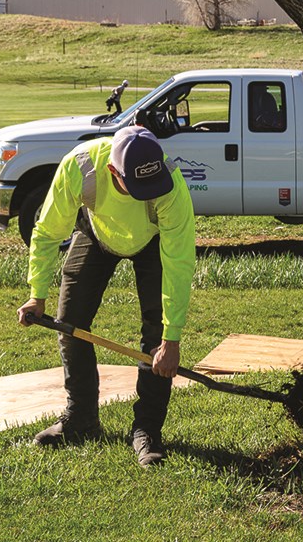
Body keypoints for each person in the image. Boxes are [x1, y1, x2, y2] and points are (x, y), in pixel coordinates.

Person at [17, 125, 195, 468]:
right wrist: (37, 294)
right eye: (138, 186)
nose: (148, 193)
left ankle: (147, 431)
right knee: (70, 322)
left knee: (155, 337)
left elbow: (179, 264)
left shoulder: (171, 188)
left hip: (152, 241)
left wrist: (171, 339)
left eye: (151, 185)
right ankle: (81, 418)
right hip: (96, 231)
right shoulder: (80, 167)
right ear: (114, 172)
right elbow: (48, 231)